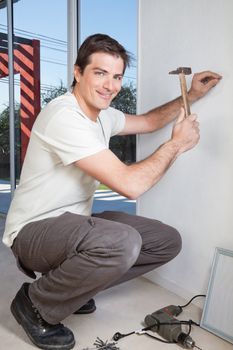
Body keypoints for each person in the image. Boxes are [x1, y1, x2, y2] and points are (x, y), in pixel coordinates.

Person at [3, 33, 221, 350]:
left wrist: (191, 94)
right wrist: (176, 145)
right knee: (122, 242)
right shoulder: (64, 116)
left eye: (117, 76)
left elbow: (148, 121)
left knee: (165, 241)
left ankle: (70, 290)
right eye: (100, 73)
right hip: (32, 232)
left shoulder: (103, 116)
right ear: (78, 72)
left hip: (72, 224)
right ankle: (35, 303)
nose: (111, 85)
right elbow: (130, 185)